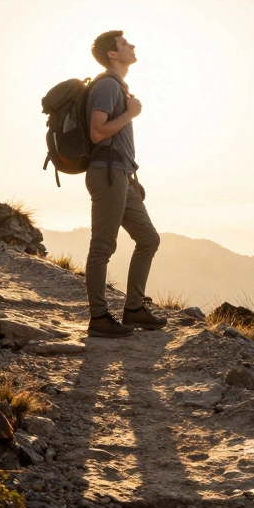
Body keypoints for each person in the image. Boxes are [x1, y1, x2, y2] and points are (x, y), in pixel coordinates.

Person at [83, 30, 167, 337]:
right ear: (112, 55)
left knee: (148, 239)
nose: (132, 45)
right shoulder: (106, 85)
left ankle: (133, 309)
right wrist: (131, 114)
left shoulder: (118, 86)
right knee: (103, 246)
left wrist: (132, 177)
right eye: (124, 44)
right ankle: (99, 318)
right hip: (107, 174)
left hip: (121, 175)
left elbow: (115, 140)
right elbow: (97, 132)